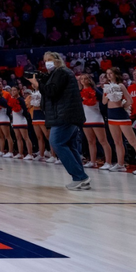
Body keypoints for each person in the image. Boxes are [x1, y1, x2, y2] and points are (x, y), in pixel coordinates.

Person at [31, 53, 89, 190]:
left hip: (65, 115)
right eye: (45, 60)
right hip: (68, 114)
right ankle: (81, 178)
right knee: (70, 146)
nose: (47, 63)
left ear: (57, 60)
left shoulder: (62, 72)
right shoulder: (60, 73)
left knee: (56, 142)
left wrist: (37, 84)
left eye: (49, 60)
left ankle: (80, 177)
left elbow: (51, 91)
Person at [102, 68, 136, 174]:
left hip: (121, 115)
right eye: (107, 74)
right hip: (111, 115)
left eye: (111, 73)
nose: (109, 75)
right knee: (117, 142)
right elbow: (104, 102)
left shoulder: (121, 86)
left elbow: (130, 100)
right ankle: (120, 164)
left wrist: (123, 106)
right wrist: (107, 93)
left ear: (115, 74)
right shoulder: (106, 87)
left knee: (133, 141)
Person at [79, 74, 111, 169]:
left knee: (103, 141)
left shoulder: (96, 91)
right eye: (82, 79)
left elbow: (104, 102)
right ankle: (92, 161)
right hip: (85, 118)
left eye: (86, 78)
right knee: (90, 141)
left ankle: (108, 162)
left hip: (96, 117)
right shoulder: (79, 92)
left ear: (90, 80)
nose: (84, 80)